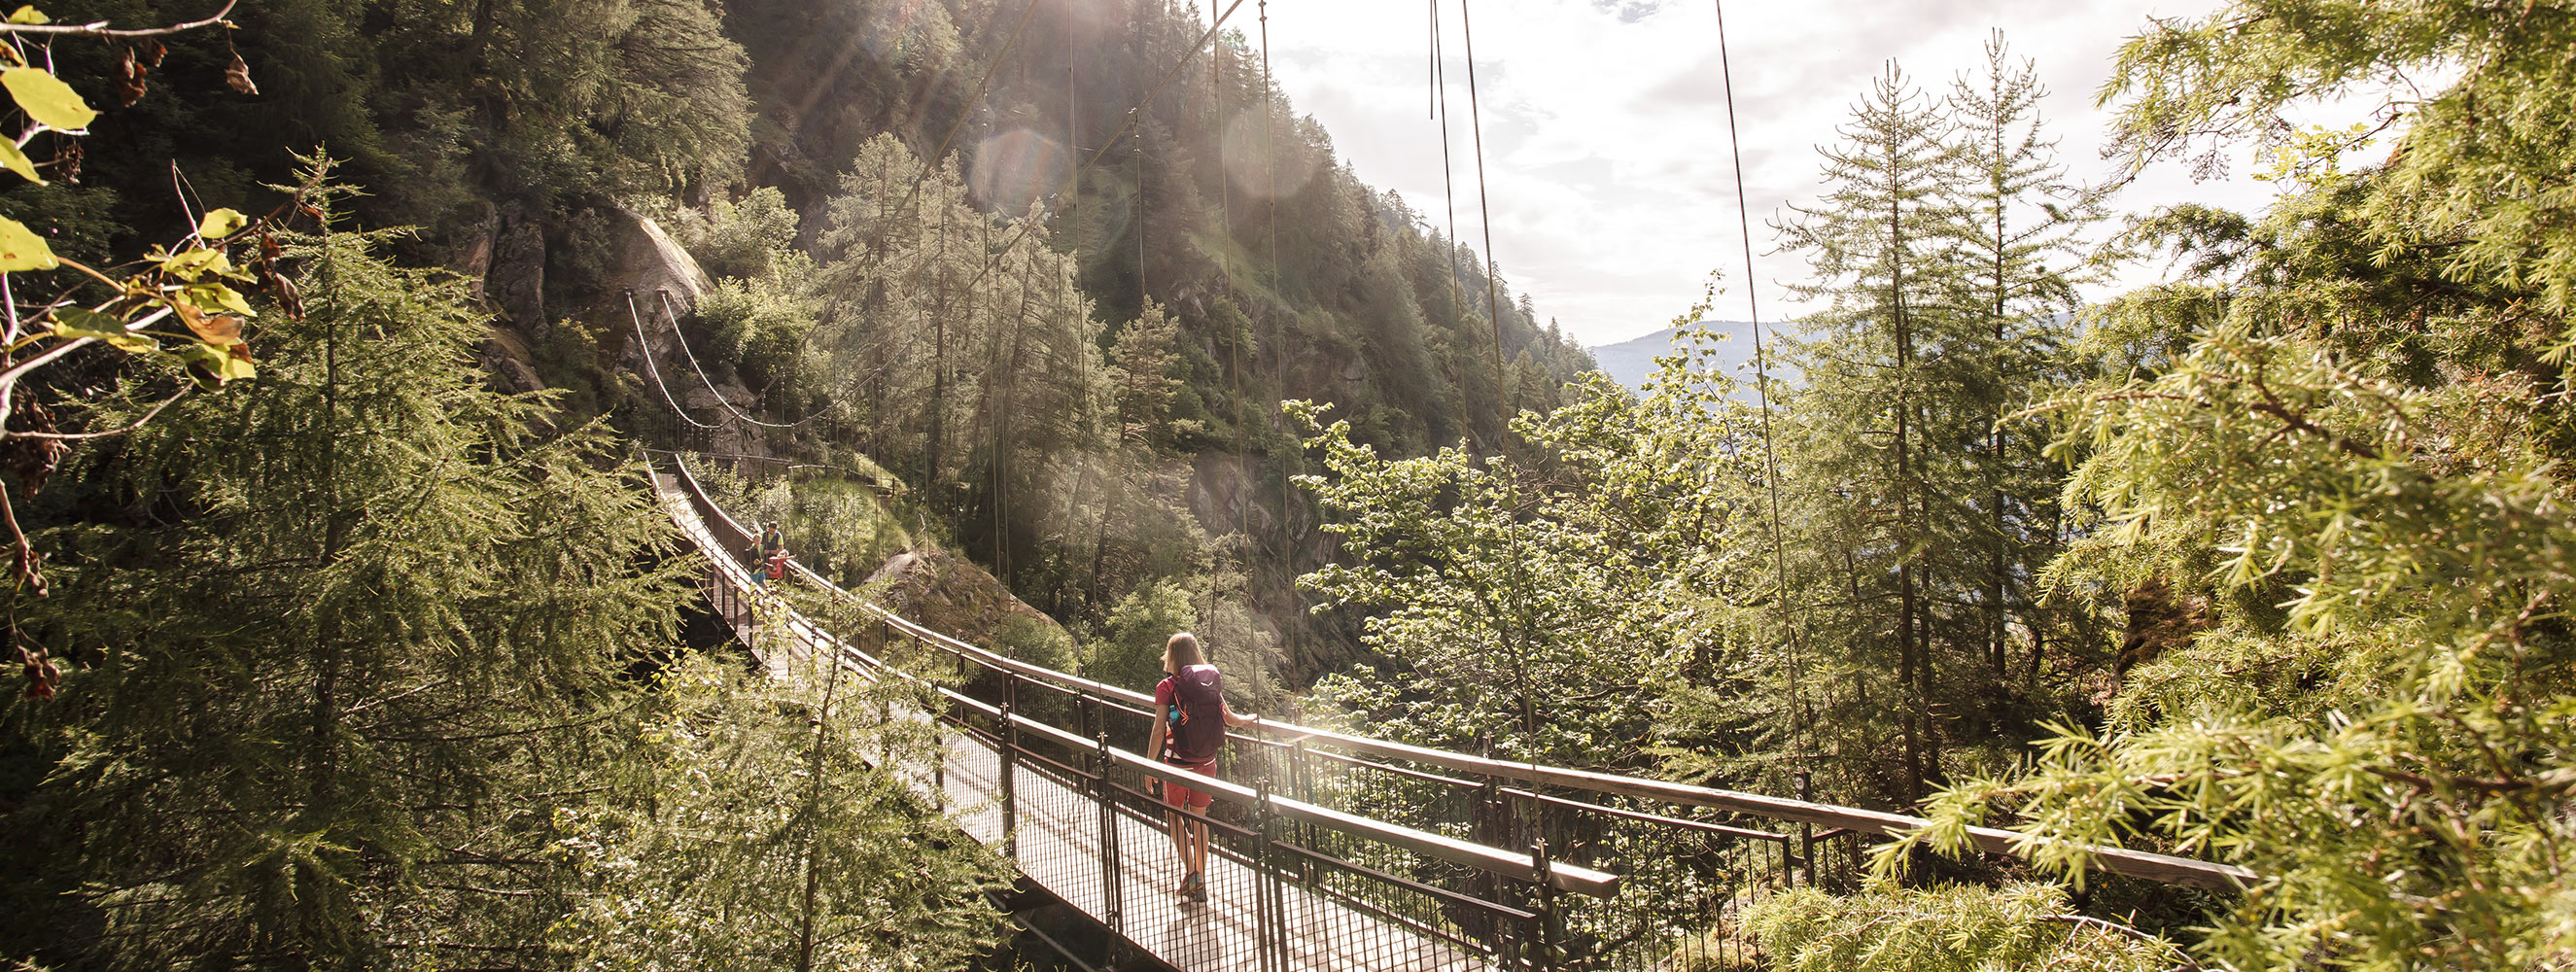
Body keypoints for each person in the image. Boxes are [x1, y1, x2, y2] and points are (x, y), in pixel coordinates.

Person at [1146, 632, 1258, 903]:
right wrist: (1249, 720)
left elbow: (1159, 728)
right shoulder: (1209, 683)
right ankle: (1200, 880)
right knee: (1199, 819)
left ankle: (1194, 876)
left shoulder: (1166, 686)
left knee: (1174, 817)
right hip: (1207, 762)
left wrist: (1149, 766)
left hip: (1176, 764)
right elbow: (1230, 719)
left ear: (1172, 655)